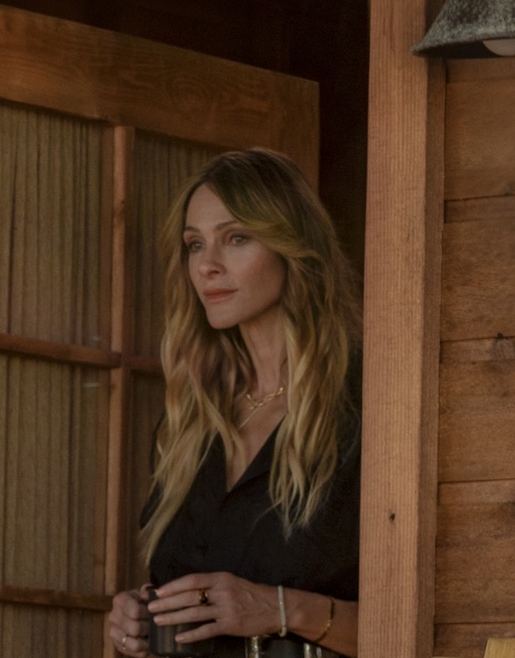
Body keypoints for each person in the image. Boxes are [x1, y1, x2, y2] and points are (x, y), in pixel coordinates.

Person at [107, 149, 361, 658]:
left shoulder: (366, 407)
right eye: (194, 244)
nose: (207, 265)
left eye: (236, 238)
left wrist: (281, 609)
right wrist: (133, 621)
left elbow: (424, 620)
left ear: (293, 246)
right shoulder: (193, 419)